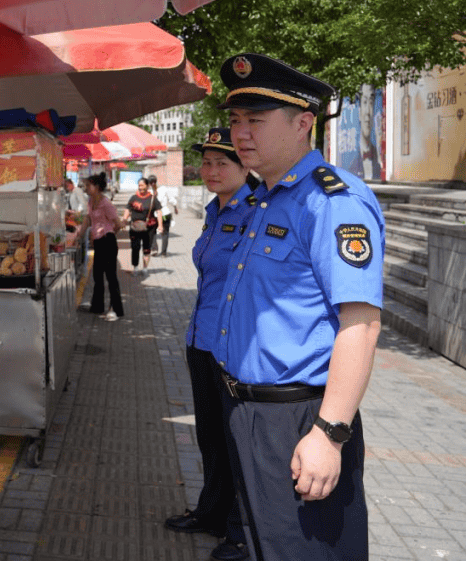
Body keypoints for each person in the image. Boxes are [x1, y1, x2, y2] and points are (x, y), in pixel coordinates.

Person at [213, 53, 384, 561]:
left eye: (257, 122)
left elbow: (361, 323)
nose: (241, 134)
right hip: (247, 410)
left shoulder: (332, 202)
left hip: (298, 419)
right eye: (236, 121)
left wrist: (330, 434)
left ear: (304, 122)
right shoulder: (265, 198)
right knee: (268, 545)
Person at [164, 128, 255, 561]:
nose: (211, 170)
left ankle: (240, 531)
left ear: (244, 167)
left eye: (223, 163)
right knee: (210, 437)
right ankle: (211, 512)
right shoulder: (214, 211)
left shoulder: (257, 212)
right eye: (206, 163)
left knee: (236, 440)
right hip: (201, 340)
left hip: (234, 348)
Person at [76, 173, 124, 319]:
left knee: (111, 276)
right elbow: (88, 218)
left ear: (96, 187)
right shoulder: (91, 201)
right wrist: (80, 234)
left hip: (107, 242)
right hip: (98, 242)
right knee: (97, 275)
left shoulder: (105, 203)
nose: (85, 188)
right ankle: (97, 306)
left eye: (88, 186)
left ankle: (116, 309)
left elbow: (119, 224)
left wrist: (109, 234)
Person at [122, 177, 161, 276]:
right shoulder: (133, 198)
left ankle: (145, 268)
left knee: (147, 249)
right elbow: (128, 209)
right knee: (135, 247)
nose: (140, 187)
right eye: (139, 185)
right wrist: (124, 220)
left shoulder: (152, 198)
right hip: (135, 228)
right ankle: (135, 267)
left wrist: (160, 225)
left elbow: (159, 212)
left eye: (142, 185)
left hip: (149, 228)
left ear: (147, 186)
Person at [155, 180, 179, 256]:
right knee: (165, 234)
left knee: (152, 232)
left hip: (155, 214)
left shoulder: (149, 191)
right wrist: (175, 207)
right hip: (165, 213)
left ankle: (154, 249)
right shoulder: (164, 189)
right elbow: (171, 200)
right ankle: (163, 253)